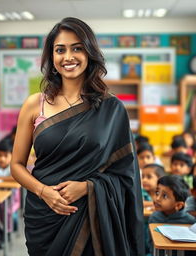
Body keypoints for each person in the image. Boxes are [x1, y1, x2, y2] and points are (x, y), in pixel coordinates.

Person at [11, 17, 144, 256]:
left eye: (77, 48)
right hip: (43, 215)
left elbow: (125, 173)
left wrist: (88, 188)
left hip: (91, 214)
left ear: (89, 53)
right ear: (51, 57)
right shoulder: (34, 105)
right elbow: (16, 165)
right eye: (60, 50)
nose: (68, 57)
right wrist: (44, 193)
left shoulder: (111, 109)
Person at [148, 175, 195, 255]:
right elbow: (150, 245)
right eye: (157, 192)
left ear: (178, 205)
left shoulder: (190, 222)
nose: (157, 198)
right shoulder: (154, 217)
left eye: (165, 196)